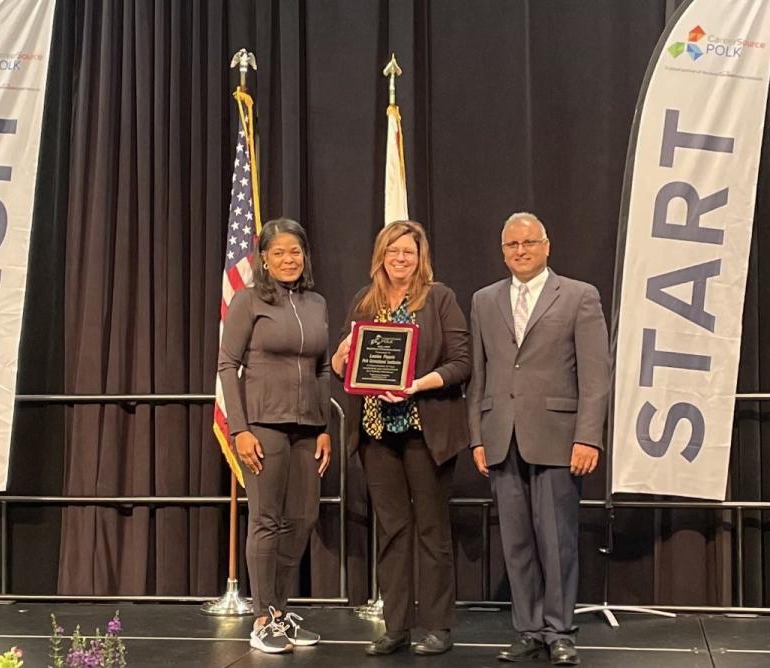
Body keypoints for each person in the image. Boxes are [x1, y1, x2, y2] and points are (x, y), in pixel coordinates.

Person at [466, 212, 609, 666]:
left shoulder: (579, 296)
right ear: (503, 250)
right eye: (512, 245)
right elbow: (479, 375)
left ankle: (560, 631)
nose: (520, 251)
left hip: (559, 438)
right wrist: (476, 438)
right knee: (517, 542)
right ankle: (528, 629)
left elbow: (595, 375)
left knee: (557, 540)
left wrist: (588, 437)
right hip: (501, 436)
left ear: (547, 246)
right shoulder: (484, 300)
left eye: (529, 242)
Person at [332, 221, 470, 656]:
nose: (400, 259)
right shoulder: (364, 301)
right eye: (393, 252)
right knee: (392, 531)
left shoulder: (439, 298)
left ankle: (437, 626)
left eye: (408, 252)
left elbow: (462, 362)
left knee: (431, 530)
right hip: (376, 434)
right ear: (381, 256)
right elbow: (344, 364)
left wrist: (417, 384)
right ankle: (396, 626)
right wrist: (340, 357)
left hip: (424, 431)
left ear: (420, 256)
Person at [217, 218, 332, 654]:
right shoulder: (249, 301)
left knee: (302, 518)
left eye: (295, 251)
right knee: (267, 520)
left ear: (305, 256)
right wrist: (240, 430)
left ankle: (281, 611)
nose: (289, 259)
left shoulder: (317, 302)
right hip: (263, 425)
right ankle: (264, 617)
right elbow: (228, 366)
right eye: (279, 252)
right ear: (264, 258)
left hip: (307, 428)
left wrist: (323, 426)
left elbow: (322, 368)